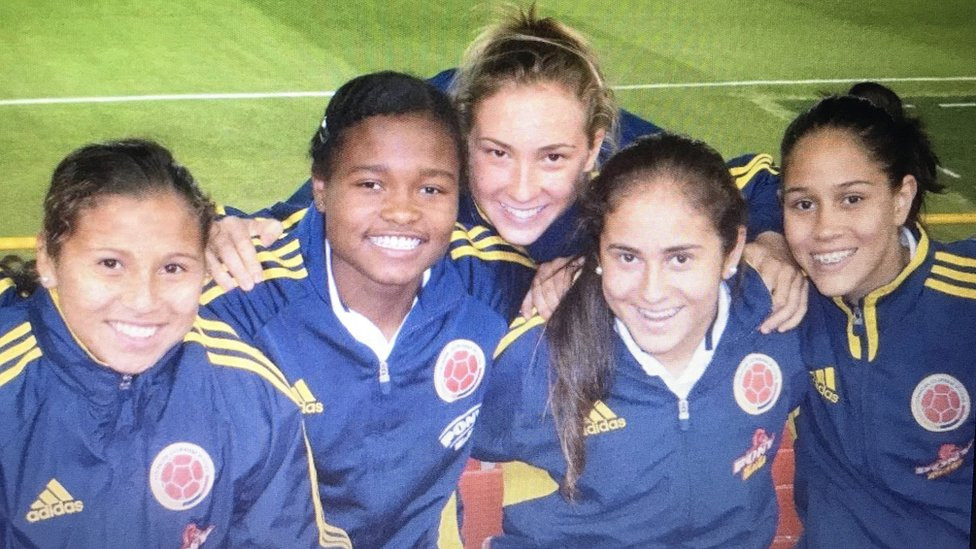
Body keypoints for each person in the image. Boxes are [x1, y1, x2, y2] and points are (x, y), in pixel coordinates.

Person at [207, 6, 805, 331]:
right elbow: (302, 212)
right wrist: (226, 229)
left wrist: (771, 241)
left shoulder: (625, 162)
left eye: (553, 157)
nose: (521, 189)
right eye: (496, 152)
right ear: (464, 138)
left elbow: (750, 184)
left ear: (593, 149)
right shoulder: (427, 139)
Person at [199, 72, 510, 548]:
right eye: (370, 184)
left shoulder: (490, 283)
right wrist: (198, 230)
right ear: (320, 188)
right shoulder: (241, 307)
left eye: (431, 189)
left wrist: (572, 270)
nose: (402, 211)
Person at [0, 139, 347, 547]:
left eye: (173, 268)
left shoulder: (250, 395)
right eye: (110, 264)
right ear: (47, 259)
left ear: (205, 266)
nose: (143, 301)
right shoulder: (11, 394)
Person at [471, 133, 808, 548]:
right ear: (597, 254)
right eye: (627, 257)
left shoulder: (778, 325)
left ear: (732, 250)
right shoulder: (539, 356)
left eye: (680, 258)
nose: (652, 291)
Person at [781, 84, 974, 547]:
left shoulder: (965, 298)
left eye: (852, 199)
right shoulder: (789, 301)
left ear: (900, 199)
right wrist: (769, 242)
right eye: (804, 204)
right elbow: (701, 184)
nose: (825, 229)